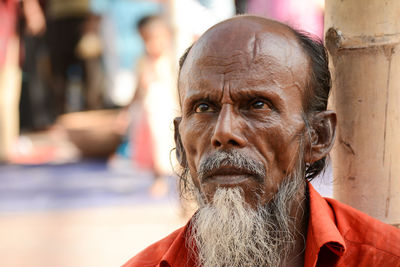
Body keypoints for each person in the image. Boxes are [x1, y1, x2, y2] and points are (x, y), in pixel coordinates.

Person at [123, 15, 400, 267]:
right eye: (204, 108)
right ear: (180, 143)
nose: (223, 133)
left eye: (257, 105)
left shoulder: (383, 258)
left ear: (318, 136)